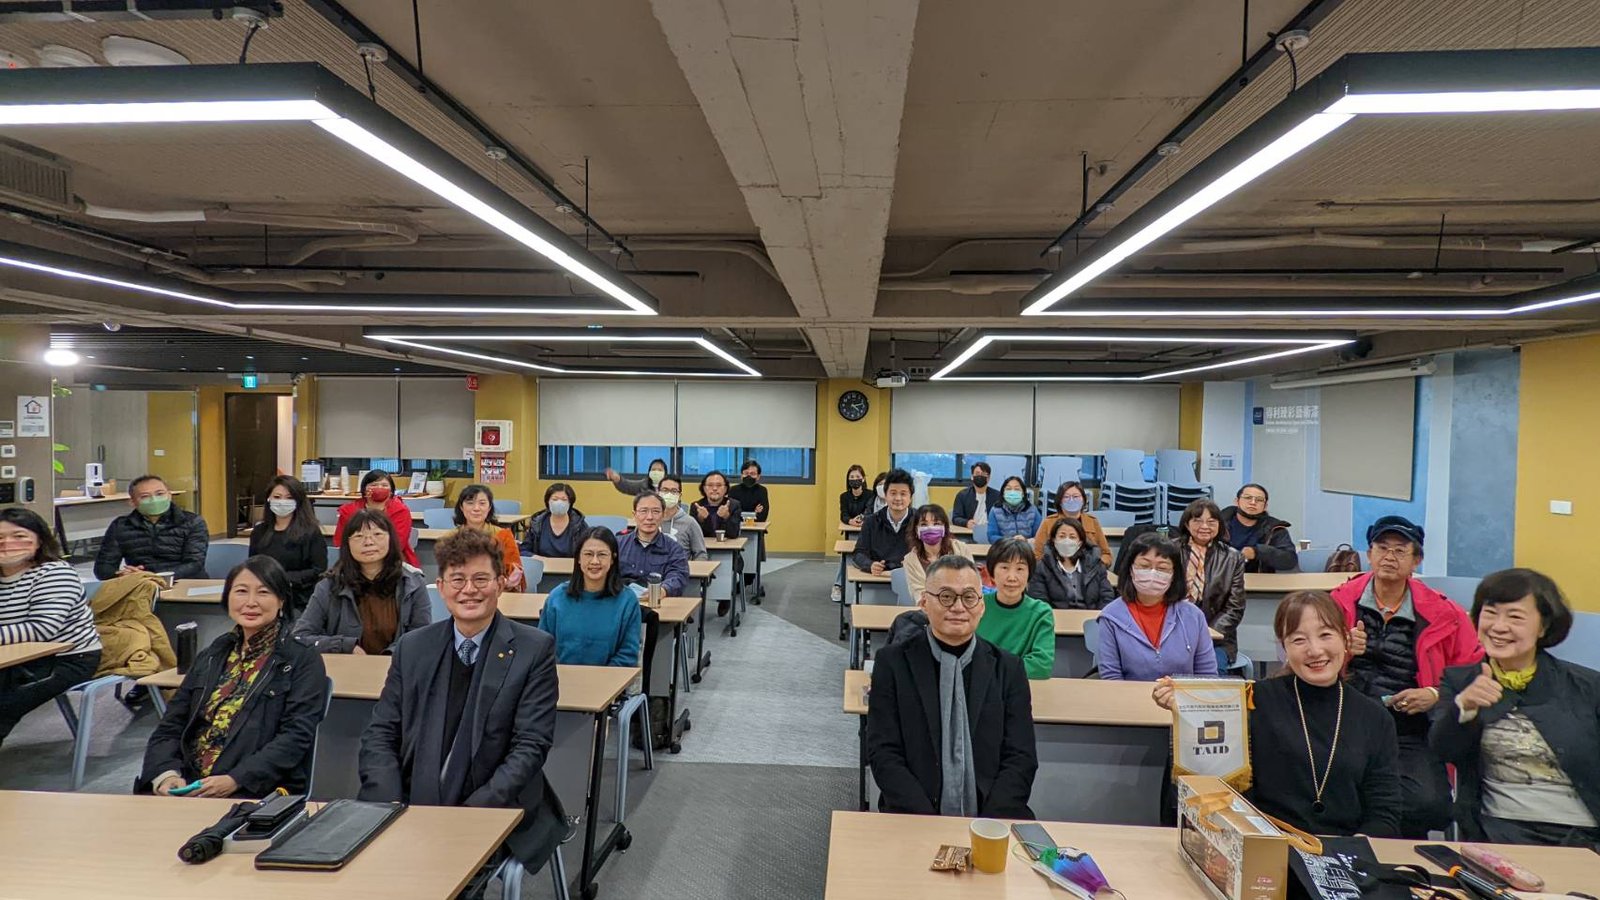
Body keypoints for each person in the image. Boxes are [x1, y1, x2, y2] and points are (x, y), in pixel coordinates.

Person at [359, 528, 563, 873]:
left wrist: (469, 814)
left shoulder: (534, 650)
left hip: (492, 802)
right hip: (410, 799)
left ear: (500, 584)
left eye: (481, 579)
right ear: (441, 588)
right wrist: (389, 803)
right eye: (457, 579)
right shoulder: (413, 648)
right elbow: (381, 733)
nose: (469, 590)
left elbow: (530, 746)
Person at [1153, 591, 1400, 837]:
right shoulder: (1253, 702)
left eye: (1326, 635)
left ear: (1345, 639)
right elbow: (1211, 784)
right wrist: (1187, 712)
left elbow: (1384, 812)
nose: (1315, 650)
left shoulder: (1375, 718)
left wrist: (1360, 846)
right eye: (1299, 640)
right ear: (1284, 649)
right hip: (1266, 845)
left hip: (1346, 850)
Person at [1332, 515, 1482, 838]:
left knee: (1429, 804)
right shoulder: (1338, 602)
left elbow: (1474, 672)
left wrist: (1435, 694)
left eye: (1400, 550)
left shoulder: (1446, 614)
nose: (1389, 557)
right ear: (1369, 554)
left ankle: (1398, 856)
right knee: (1334, 795)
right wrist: (1341, 650)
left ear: (1416, 561)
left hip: (1410, 726)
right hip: (1346, 717)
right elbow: (1299, 657)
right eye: (1382, 548)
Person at [1432, 568, 1600, 847]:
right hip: (1500, 832)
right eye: (1490, 613)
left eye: (1515, 617)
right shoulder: (1461, 681)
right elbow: (1443, 750)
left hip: (1583, 836)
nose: (1498, 627)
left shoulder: (1588, 686)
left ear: (1543, 626)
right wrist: (1465, 707)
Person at [139, 555, 327, 797]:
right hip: (188, 783)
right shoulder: (213, 653)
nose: (251, 602)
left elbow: (295, 737)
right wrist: (166, 774)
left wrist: (236, 780)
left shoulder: (301, 659)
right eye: (241, 591)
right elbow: (171, 724)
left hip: (252, 790)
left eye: (263, 592)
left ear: (281, 600)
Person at [865, 554, 1037, 817]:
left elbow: (1021, 757)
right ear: (924, 602)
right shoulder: (892, 663)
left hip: (993, 818)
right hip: (912, 816)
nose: (958, 607)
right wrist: (927, 821)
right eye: (946, 597)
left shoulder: (1008, 668)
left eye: (969, 597)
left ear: (982, 606)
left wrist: (988, 822)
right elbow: (883, 752)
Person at [0, 508, 103, 745]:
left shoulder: (54, 573)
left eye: (19, 536)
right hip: (12, 657)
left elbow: (42, 629)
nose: (7, 544)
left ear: (39, 541)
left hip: (66, 659)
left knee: (4, 706)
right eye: (0, 537)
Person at [294, 510, 431, 654]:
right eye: (359, 536)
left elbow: (422, 638)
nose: (369, 542)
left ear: (391, 539)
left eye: (377, 534)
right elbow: (300, 637)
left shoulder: (413, 584)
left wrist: (392, 654)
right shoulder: (329, 585)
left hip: (398, 664)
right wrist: (343, 646)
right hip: (345, 665)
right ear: (347, 544)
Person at [1098, 532, 1218, 681]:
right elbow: (1111, 677)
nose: (1152, 573)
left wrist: (1176, 694)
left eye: (1162, 568)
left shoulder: (1193, 616)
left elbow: (1207, 676)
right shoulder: (1111, 616)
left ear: (1174, 575)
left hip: (1181, 695)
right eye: (1144, 566)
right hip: (1129, 695)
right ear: (1131, 570)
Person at [538, 528, 641, 667]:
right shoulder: (557, 597)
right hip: (561, 677)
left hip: (610, 678)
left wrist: (601, 677)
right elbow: (543, 648)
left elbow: (628, 654)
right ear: (578, 559)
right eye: (588, 554)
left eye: (602, 554)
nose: (595, 561)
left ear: (613, 559)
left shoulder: (627, 601)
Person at [93, 473, 209, 581]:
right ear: (132, 502)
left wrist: (152, 576)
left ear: (169, 496)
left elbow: (194, 564)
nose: (154, 500)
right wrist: (121, 575)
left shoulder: (192, 522)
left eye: (160, 494)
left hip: (184, 582)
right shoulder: (120, 526)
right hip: (140, 585)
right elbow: (103, 568)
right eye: (145, 496)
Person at [1176, 498, 1247, 664]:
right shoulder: (1169, 551)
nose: (1204, 526)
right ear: (1187, 524)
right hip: (1171, 632)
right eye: (1197, 521)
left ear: (1219, 525)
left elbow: (1235, 607)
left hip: (1215, 638)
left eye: (1211, 522)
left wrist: (1208, 632)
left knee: (1211, 670)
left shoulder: (1232, 558)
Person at [977, 538, 1055, 680]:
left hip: (1021, 687)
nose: (1012, 577)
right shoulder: (977, 606)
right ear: (992, 572)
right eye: (1004, 568)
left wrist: (991, 669)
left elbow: (1041, 666)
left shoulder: (1041, 613)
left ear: (1029, 573)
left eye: (1020, 569)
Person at [248, 475, 327, 615]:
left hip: (299, 599)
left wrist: (283, 579)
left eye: (289, 498)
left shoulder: (311, 532)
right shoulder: (259, 532)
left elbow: (319, 569)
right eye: (277, 497)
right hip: (264, 596)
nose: (282, 502)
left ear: (298, 501)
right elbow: (252, 565)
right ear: (269, 499)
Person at [333, 469, 419, 568]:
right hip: (354, 561)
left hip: (393, 562)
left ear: (391, 491)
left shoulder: (400, 510)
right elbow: (340, 541)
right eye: (374, 485)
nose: (379, 488)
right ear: (364, 489)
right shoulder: (348, 511)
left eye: (384, 485)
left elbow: (398, 543)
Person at [1027, 516, 1115, 610]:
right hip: (1056, 617)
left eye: (1072, 537)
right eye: (1062, 536)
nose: (1067, 541)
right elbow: (1039, 601)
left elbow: (1106, 597)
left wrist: (1099, 616)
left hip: (1091, 616)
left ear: (1080, 542)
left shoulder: (1096, 564)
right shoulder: (1041, 567)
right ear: (1053, 539)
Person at [618, 492, 691, 600]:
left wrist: (663, 590)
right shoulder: (618, 544)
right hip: (623, 601)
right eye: (643, 511)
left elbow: (678, 576)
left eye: (656, 511)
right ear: (634, 515)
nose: (650, 517)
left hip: (658, 602)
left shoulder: (674, 549)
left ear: (663, 515)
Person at [453, 484, 524, 591]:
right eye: (470, 503)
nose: (476, 508)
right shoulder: (452, 538)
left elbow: (515, 575)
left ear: (489, 507)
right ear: (461, 507)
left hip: (498, 593)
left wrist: (506, 583)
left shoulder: (503, 536)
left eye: (482, 503)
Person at [1218, 483, 1297, 573]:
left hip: (1259, 579)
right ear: (1237, 501)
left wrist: (1258, 552)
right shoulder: (1218, 523)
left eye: (1259, 500)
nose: (1253, 502)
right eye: (1248, 498)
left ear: (1265, 506)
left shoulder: (1275, 528)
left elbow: (1289, 560)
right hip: (1221, 577)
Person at [1031, 481, 1113, 567]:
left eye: (1076, 496)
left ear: (1083, 500)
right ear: (1060, 501)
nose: (1071, 500)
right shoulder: (1048, 523)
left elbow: (1106, 554)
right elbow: (1037, 555)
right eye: (1066, 497)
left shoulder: (1092, 521)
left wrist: (1095, 566)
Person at [901, 503, 973, 599]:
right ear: (916, 531)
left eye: (936, 524)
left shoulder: (961, 549)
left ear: (944, 528)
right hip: (928, 606)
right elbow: (918, 593)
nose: (930, 528)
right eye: (924, 524)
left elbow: (971, 583)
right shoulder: (910, 560)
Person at [851, 468, 915, 575]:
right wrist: (870, 565)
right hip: (878, 577)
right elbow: (858, 554)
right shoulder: (871, 521)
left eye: (903, 494)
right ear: (885, 495)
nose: (898, 498)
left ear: (910, 497)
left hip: (910, 579)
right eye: (893, 493)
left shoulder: (919, 521)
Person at [520, 483, 587, 559]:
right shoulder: (537, 524)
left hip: (570, 566)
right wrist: (537, 558)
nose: (559, 503)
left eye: (564, 499)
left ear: (570, 503)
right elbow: (523, 550)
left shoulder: (579, 524)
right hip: (543, 565)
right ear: (548, 502)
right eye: (555, 499)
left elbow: (588, 551)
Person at [656, 475, 708, 561]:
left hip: (680, 568)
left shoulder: (689, 523)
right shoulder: (650, 520)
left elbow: (701, 554)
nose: (669, 494)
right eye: (665, 490)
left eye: (674, 491)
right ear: (658, 493)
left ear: (679, 496)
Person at [690, 470, 743, 540]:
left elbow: (734, 534)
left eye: (719, 485)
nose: (714, 489)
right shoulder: (697, 506)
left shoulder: (734, 505)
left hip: (727, 546)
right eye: (710, 485)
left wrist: (727, 517)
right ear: (704, 488)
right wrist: (701, 519)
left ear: (725, 488)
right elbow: (693, 536)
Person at [987, 476, 1041, 541]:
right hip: (1004, 546)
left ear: (1023, 494)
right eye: (1008, 489)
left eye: (1017, 489)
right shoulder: (995, 511)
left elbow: (1040, 536)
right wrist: (1011, 541)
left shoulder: (1032, 511)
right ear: (1003, 493)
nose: (1012, 492)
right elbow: (992, 536)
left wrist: (1026, 541)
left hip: (1026, 546)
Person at [950, 462, 1001, 530]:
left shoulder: (997, 496)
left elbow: (1002, 517)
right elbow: (956, 518)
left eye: (983, 474)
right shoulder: (962, 495)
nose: (980, 476)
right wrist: (966, 523)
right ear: (972, 477)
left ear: (988, 478)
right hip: (969, 532)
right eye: (977, 473)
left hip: (990, 532)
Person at [728, 459, 770, 523]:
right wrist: (754, 513)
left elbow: (762, 516)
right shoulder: (733, 490)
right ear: (741, 475)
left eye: (752, 474)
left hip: (756, 527)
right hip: (736, 527)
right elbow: (732, 515)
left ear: (758, 476)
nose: (749, 476)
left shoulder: (762, 490)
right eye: (746, 473)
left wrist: (741, 513)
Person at [605, 457, 669, 496]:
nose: (656, 472)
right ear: (649, 472)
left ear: (665, 473)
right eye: (653, 469)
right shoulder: (643, 485)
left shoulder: (670, 486)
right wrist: (617, 479)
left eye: (660, 470)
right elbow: (627, 486)